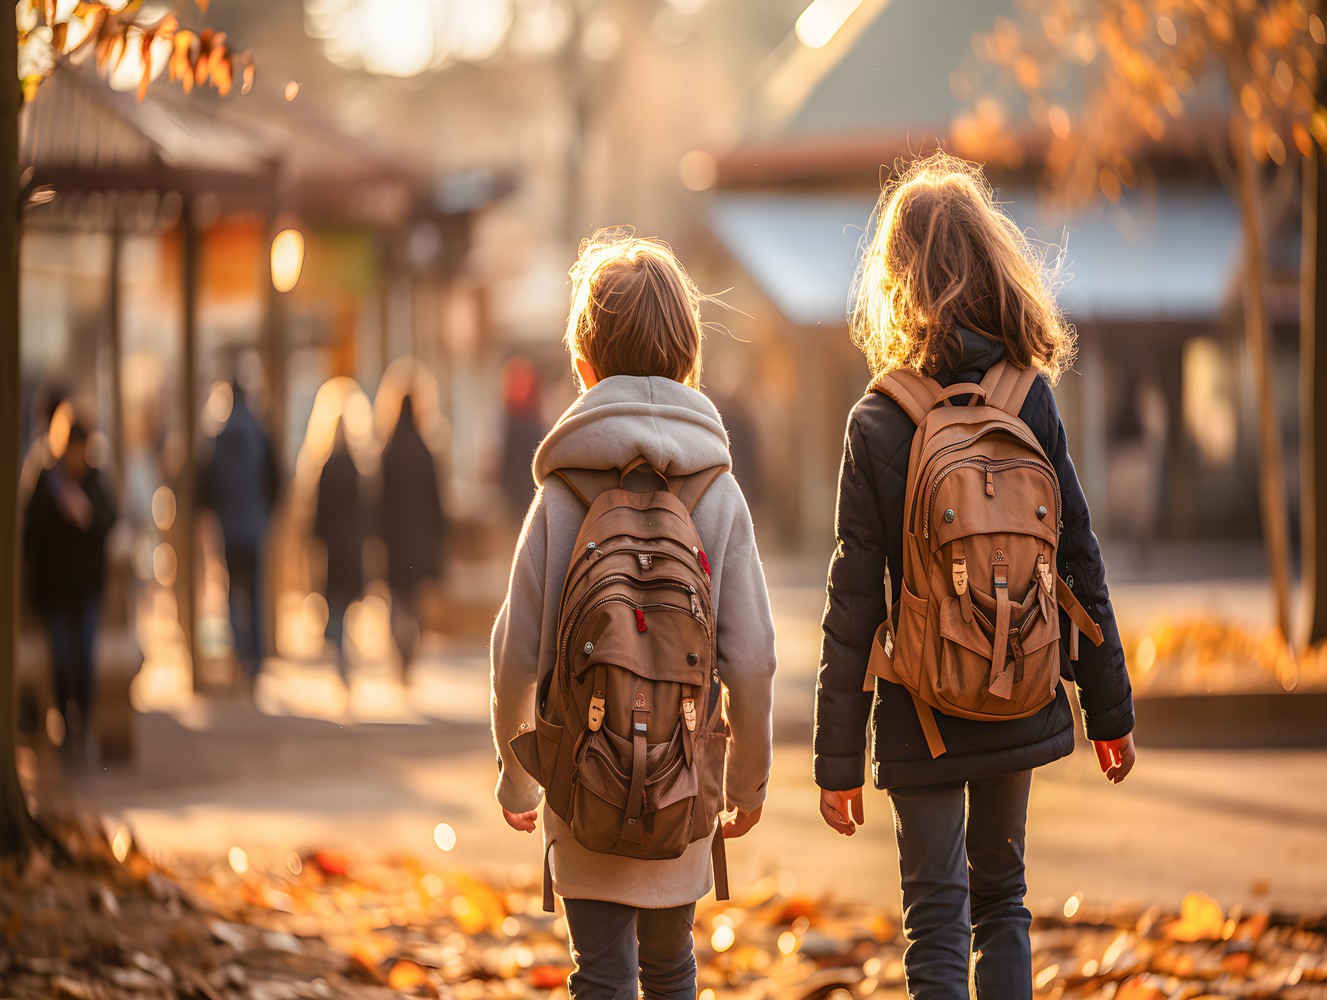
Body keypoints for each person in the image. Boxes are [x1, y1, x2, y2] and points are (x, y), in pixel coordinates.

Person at [813, 152, 1136, 1000]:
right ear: (994, 265)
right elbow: (1078, 557)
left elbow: (852, 601)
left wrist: (835, 758)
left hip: (919, 702)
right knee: (1003, 904)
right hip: (1019, 684)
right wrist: (1110, 709)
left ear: (894, 278)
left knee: (934, 918)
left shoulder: (878, 419)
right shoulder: (1028, 398)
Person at [490, 232, 778, 999]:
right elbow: (751, 658)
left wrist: (517, 779)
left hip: (581, 787)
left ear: (583, 366)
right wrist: (744, 781)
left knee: (601, 975)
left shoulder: (559, 498)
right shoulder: (715, 493)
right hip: (681, 788)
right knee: (671, 968)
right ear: (689, 361)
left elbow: (514, 655)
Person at [23, 414, 117, 766]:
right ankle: (64, 725)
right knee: (62, 657)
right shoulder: (47, 482)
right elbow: (30, 533)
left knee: (85, 657)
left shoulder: (95, 479)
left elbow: (110, 520)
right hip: (55, 589)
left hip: (87, 587)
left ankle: (83, 728)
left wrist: (86, 515)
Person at [197, 382, 281, 687]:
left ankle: (241, 651)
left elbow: (204, 489)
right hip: (255, 527)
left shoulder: (218, 439)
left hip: (229, 530)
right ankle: (257, 659)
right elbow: (276, 480)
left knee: (232, 593)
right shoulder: (260, 434)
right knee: (256, 594)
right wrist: (265, 515)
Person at [378, 394, 445, 674]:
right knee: (415, 596)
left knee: (397, 597)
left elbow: (379, 500)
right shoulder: (425, 450)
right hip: (419, 540)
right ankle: (410, 648)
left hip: (394, 540)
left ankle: (400, 649)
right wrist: (439, 536)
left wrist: (378, 535)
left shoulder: (389, 450)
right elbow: (436, 500)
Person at [313, 418, 366, 680]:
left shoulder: (327, 466)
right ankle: (339, 645)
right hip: (351, 544)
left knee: (335, 601)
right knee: (344, 602)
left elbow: (319, 512)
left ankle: (337, 644)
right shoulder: (356, 467)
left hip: (333, 546)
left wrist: (317, 540)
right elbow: (365, 508)